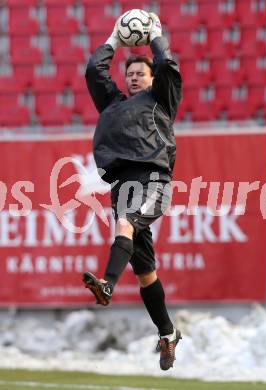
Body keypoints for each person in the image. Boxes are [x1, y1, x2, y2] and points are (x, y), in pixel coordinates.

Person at [82, 12, 182, 371]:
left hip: (152, 179)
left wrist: (155, 34)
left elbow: (168, 64)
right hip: (121, 183)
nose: (135, 77)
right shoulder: (113, 103)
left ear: (152, 78)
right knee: (146, 274)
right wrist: (114, 36)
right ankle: (168, 333)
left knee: (125, 222)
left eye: (141, 73)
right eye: (130, 74)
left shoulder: (160, 99)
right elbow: (95, 71)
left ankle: (107, 284)